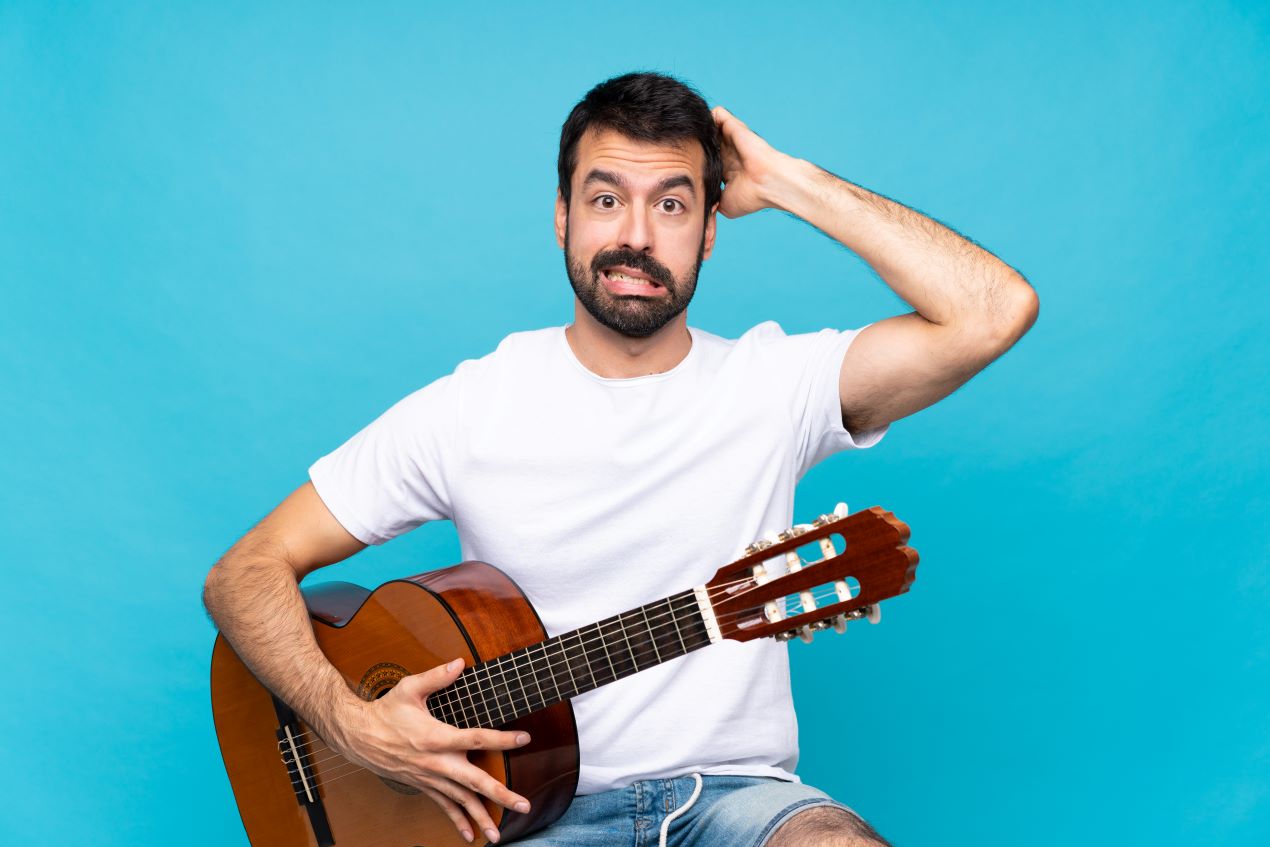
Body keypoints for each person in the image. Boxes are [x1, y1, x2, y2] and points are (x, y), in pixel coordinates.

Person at [204, 72, 1038, 846]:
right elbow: (243, 572)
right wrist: (352, 725)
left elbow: (994, 312)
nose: (635, 236)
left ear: (711, 231)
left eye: (673, 205)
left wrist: (790, 183)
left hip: (736, 798)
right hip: (522, 818)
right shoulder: (469, 406)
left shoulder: (777, 382)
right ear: (562, 215)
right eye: (606, 198)